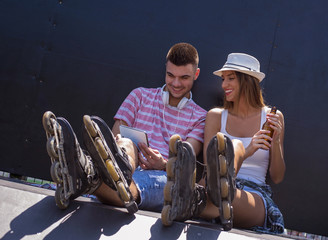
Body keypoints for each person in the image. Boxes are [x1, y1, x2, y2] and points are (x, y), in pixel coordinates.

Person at [42, 42, 207, 214]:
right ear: (165, 70)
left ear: (196, 74)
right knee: (125, 143)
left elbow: (185, 162)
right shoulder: (139, 96)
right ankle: (101, 173)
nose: (176, 83)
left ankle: (85, 175)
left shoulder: (201, 117)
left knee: (166, 184)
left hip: (162, 177)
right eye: (170, 75)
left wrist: (164, 164)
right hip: (124, 166)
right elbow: (111, 143)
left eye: (184, 78)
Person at [162, 53, 285, 234]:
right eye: (223, 79)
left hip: (253, 193)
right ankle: (205, 195)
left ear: (248, 81)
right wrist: (248, 149)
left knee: (226, 190)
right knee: (232, 152)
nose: (223, 85)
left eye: (230, 79)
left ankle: (190, 201)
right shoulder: (216, 116)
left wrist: (276, 141)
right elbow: (209, 167)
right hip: (212, 189)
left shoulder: (272, 117)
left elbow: (277, 177)